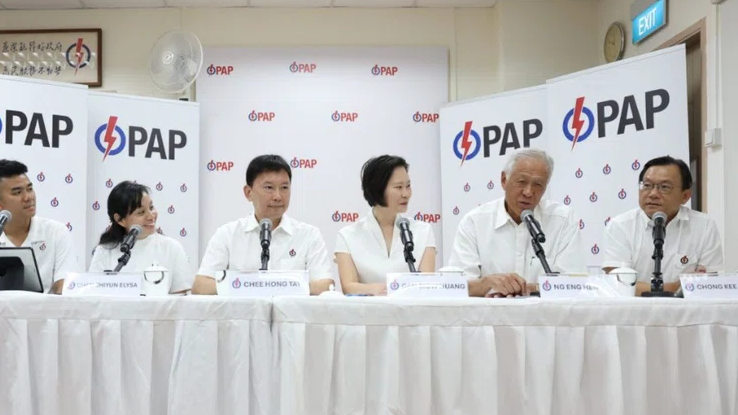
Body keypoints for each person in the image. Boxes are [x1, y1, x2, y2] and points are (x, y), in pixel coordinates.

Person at [448, 148, 585, 297]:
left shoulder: (563, 220)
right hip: (491, 318)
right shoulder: (475, 222)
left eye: (538, 185)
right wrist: (487, 283)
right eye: (521, 182)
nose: (528, 192)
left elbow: (575, 283)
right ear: (504, 180)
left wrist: (531, 288)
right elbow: (456, 286)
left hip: (545, 318)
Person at [192, 154, 334, 295]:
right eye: (269, 188)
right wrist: (253, 286)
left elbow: (325, 285)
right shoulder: (228, 234)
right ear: (248, 193)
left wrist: (273, 287)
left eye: (284, 188)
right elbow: (201, 285)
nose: (277, 196)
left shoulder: (308, 235)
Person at [601, 155, 722, 295]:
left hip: (687, 313)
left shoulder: (705, 226)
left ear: (685, 196)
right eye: (646, 185)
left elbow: (708, 285)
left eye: (664, 187)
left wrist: (642, 287)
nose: (653, 194)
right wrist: (677, 287)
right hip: (633, 312)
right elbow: (619, 284)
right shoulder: (620, 226)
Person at [0, 159, 78, 294]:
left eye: (30, 189)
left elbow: (64, 287)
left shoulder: (56, 232)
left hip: (44, 313)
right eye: (17, 192)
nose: (28, 197)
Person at [335, 155, 436, 295]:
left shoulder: (423, 231)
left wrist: (378, 289)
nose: (406, 194)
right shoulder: (347, 235)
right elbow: (349, 287)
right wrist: (395, 288)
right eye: (398, 187)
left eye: (408, 186)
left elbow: (427, 286)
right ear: (377, 189)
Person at [89, 180, 193, 294]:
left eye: (151, 207)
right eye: (141, 212)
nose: (151, 216)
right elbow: (93, 296)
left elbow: (181, 298)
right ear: (120, 219)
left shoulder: (172, 247)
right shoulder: (105, 250)